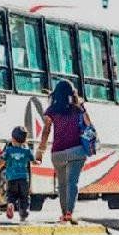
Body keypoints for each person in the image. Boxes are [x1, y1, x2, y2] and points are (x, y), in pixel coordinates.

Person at [36, 80, 91, 223]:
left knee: (61, 185)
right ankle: (68, 212)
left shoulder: (52, 110)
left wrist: (40, 151)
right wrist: (80, 105)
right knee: (72, 183)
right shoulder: (78, 108)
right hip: (77, 151)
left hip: (58, 153)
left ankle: (63, 213)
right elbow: (88, 124)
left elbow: (46, 131)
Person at [0, 126, 36, 222]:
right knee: (24, 197)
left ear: (13, 138)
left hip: (11, 178)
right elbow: (33, 160)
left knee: (11, 195)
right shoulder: (27, 151)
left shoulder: (8, 150)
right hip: (23, 179)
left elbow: (2, 160)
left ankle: (10, 204)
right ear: (25, 140)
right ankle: (24, 213)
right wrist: (37, 161)